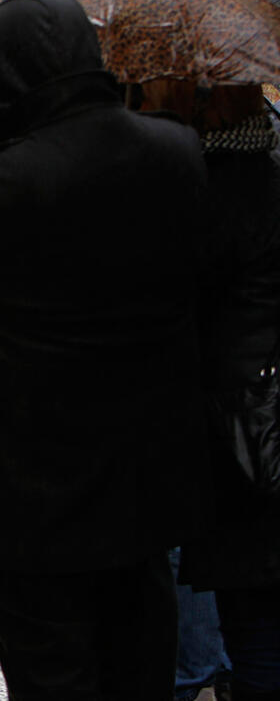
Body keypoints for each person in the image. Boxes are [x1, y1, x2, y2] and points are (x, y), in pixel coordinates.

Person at [0, 0, 208, 698]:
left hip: (27, 494)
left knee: (52, 672)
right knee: (136, 663)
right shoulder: (174, 151)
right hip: (143, 478)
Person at [164, 81, 280, 701]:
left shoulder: (219, 187)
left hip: (242, 424)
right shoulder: (266, 171)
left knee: (253, 612)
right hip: (257, 413)